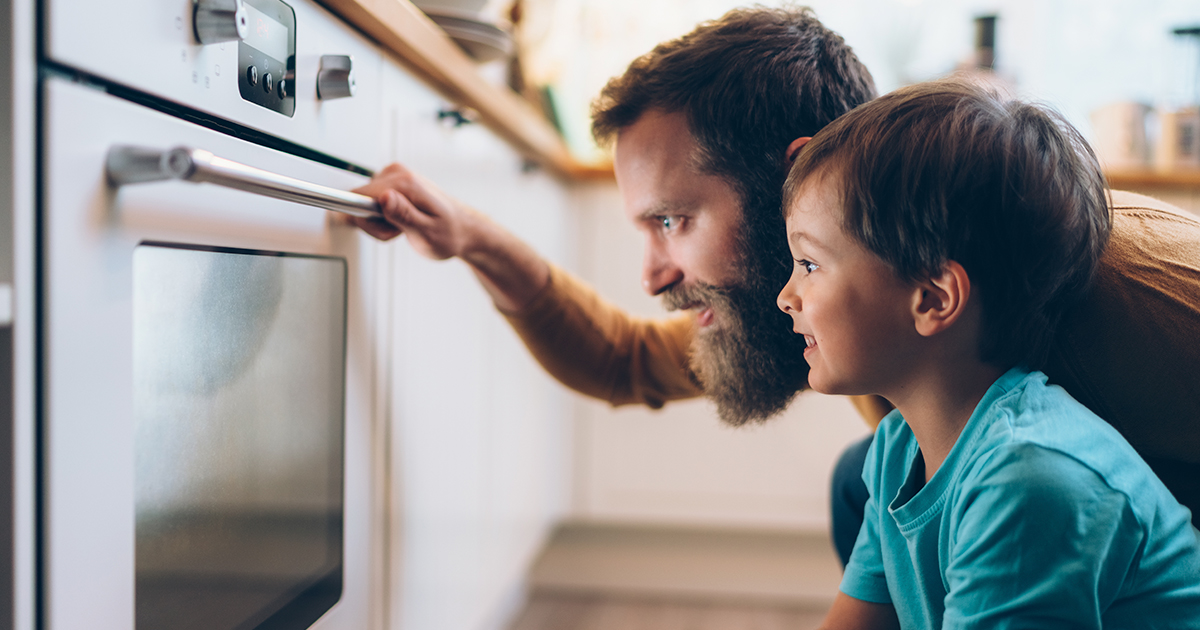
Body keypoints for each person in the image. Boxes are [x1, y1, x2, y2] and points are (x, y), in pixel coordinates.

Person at [350, 6, 1200, 565]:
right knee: (871, 481)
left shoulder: (1125, 292)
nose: (653, 276)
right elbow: (621, 361)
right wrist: (471, 238)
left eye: (673, 220)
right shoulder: (837, 292)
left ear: (789, 176)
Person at [778, 79, 1200, 630]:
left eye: (809, 265)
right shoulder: (898, 447)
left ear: (932, 298)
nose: (786, 297)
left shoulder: (1030, 480)